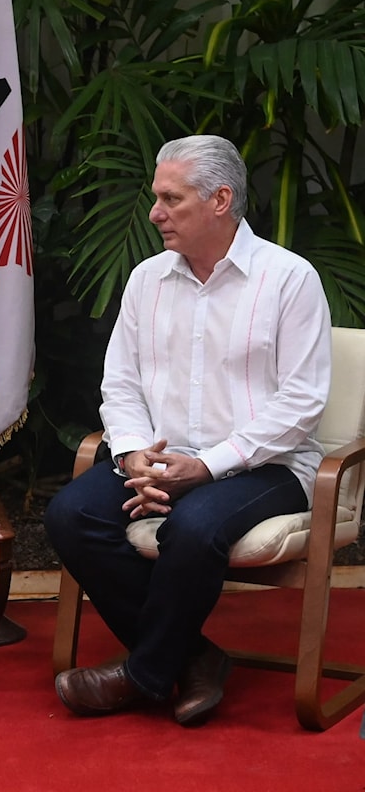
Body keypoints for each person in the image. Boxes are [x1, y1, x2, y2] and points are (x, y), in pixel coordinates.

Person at [44, 134, 331, 726]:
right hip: (160, 459)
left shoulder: (288, 279)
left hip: (266, 467)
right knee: (71, 515)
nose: (154, 214)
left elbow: (302, 402)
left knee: (194, 527)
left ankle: (143, 675)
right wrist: (130, 458)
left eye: (171, 199)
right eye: (157, 198)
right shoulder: (146, 280)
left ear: (220, 199)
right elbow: (120, 385)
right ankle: (194, 657)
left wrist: (208, 465)